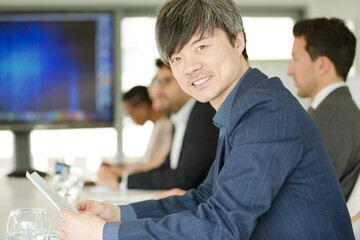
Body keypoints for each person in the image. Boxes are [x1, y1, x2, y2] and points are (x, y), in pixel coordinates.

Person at [56, 1, 354, 239]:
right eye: (177, 58)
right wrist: (119, 215)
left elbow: (222, 227)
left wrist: (103, 234)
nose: (190, 68)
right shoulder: (242, 105)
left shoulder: (265, 111)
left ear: (238, 41)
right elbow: (205, 197)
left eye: (201, 47)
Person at [97, 59, 219, 190]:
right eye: (156, 83)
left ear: (186, 80)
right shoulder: (180, 120)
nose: (158, 90)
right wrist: (122, 176)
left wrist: (121, 180)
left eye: (165, 81)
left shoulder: (203, 115)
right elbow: (167, 167)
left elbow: (184, 178)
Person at [287, 18, 360, 201]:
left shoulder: (334, 117)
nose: (290, 70)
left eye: (296, 59)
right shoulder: (330, 110)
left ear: (322, 65)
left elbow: (307, 197)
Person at [96, 86, 173, 188]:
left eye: (130, 113)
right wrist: (116, 168)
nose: (131, 118)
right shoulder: (158, 125)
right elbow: (147, 162)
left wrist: (118, 171)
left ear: (142, 108)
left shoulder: (165, 126)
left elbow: (154, 165)